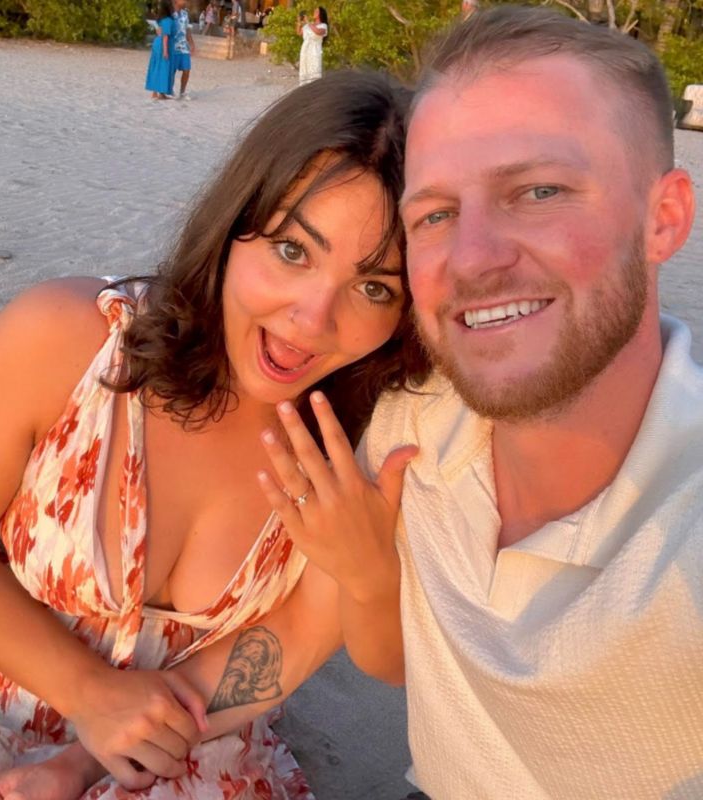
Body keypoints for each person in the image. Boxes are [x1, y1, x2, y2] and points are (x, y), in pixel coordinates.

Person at [0, 70, 427, 799]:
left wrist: (85, 761)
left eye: (374, 288)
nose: (312, 319)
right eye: (292, 251)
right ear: (234, 226)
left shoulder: (362, 444)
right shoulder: (65, 343)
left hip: (187, 747)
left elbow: (301, 636)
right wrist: (88, 692)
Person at [261, 6, 702, 799]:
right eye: (434, 214)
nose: (471, 259)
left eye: (538, 190)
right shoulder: (411, 427)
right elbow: (394, 660)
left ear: (662, 219)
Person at [144, 0, 177, 101]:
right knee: (163, 68)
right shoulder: (168, 20)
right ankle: (160, 93)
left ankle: (156, 92)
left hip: (158, 44)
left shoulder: (162, 19)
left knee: (157, 67)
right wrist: (165, 51)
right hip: (163, 45)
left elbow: (159, 31)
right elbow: (165, 36)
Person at [297, 7, 328, 86]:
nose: (314, 12)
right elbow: (299, 32)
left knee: (314, 72)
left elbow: (318, 32)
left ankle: (315, 89)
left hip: (314, 52)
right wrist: (299, 22)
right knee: (304, 71)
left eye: (316, 11)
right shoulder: (309, 25)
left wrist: (308, 22)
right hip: (305, 51)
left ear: (321, 14)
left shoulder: (323, 26)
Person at [171, 0, 195, 100]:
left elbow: (187, 30)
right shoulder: (170, 13)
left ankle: (182, 92)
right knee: (172, 70)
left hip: (184, 47)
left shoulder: (185, 13)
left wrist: (192, 43)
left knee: (187, 69)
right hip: (173, 46)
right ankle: (170, 90)